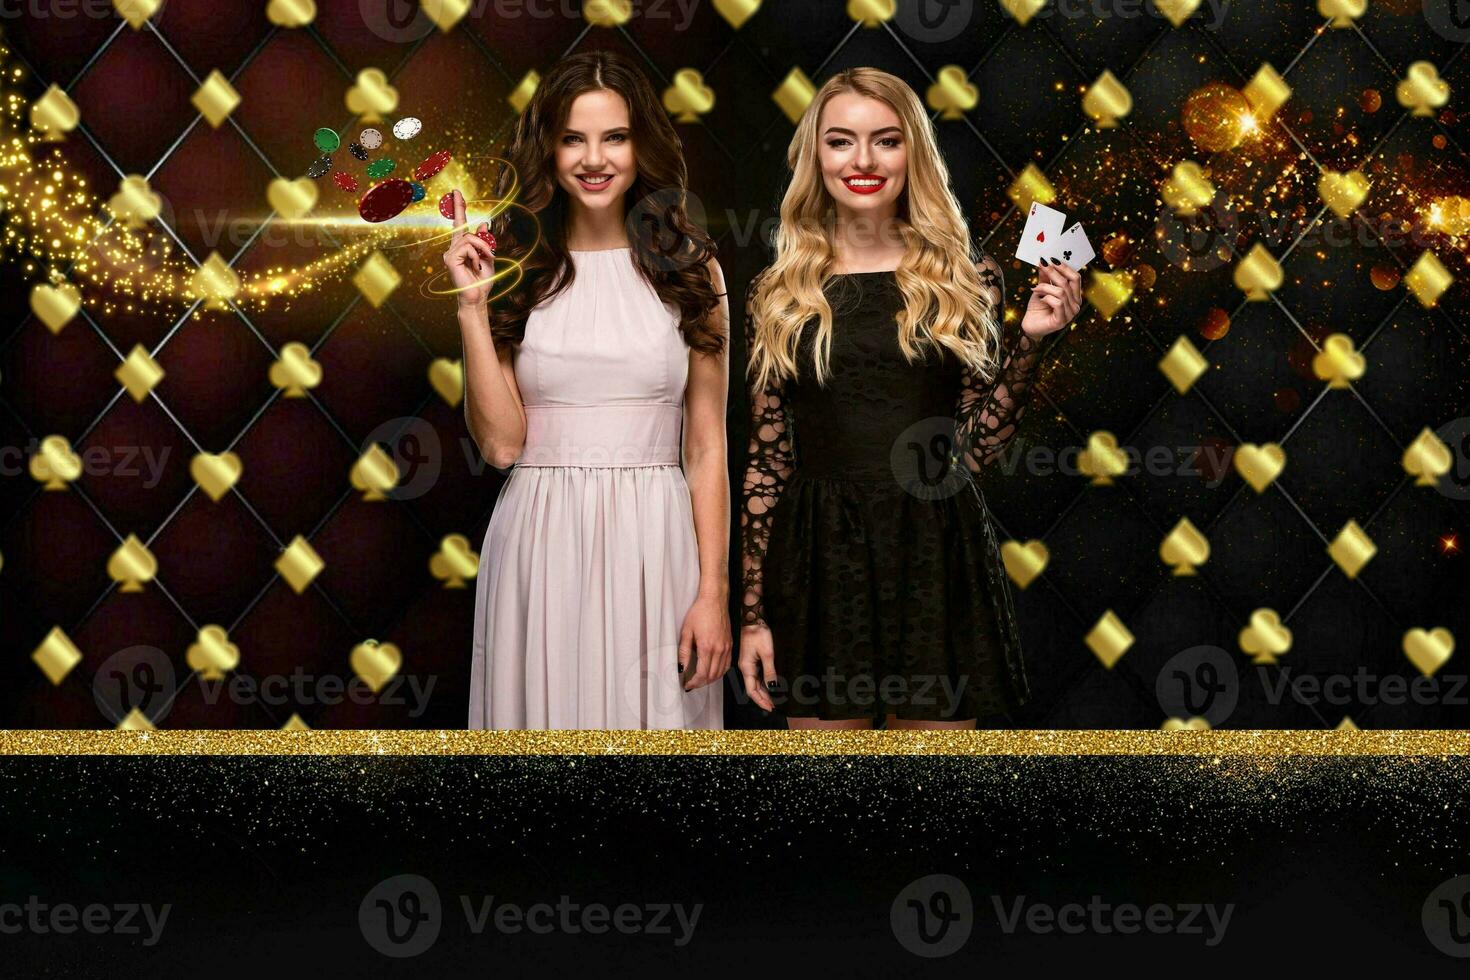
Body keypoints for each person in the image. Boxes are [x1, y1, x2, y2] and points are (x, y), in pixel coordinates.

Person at [737, 67, 1083, 729]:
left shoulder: (968, 277)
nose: (862, 160)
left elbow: (974, 454)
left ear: (913, 154)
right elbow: (766, 464)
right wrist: (753, 616)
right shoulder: (777, 291)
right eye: (841, 141)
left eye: (885, 141)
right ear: (816, 155)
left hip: (934, 549)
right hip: (820, 558)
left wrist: (1033, 343)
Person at [451, 51, 731, 729]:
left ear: (642, 147)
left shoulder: (694, 271)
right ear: (547, 149)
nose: (593, 158)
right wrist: (469, 307)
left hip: (658, 542)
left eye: (614, 137)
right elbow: (499, 445)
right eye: (573, 138)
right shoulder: (514, 274)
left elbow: (706, 447)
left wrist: (713, 593)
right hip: (541, 544)